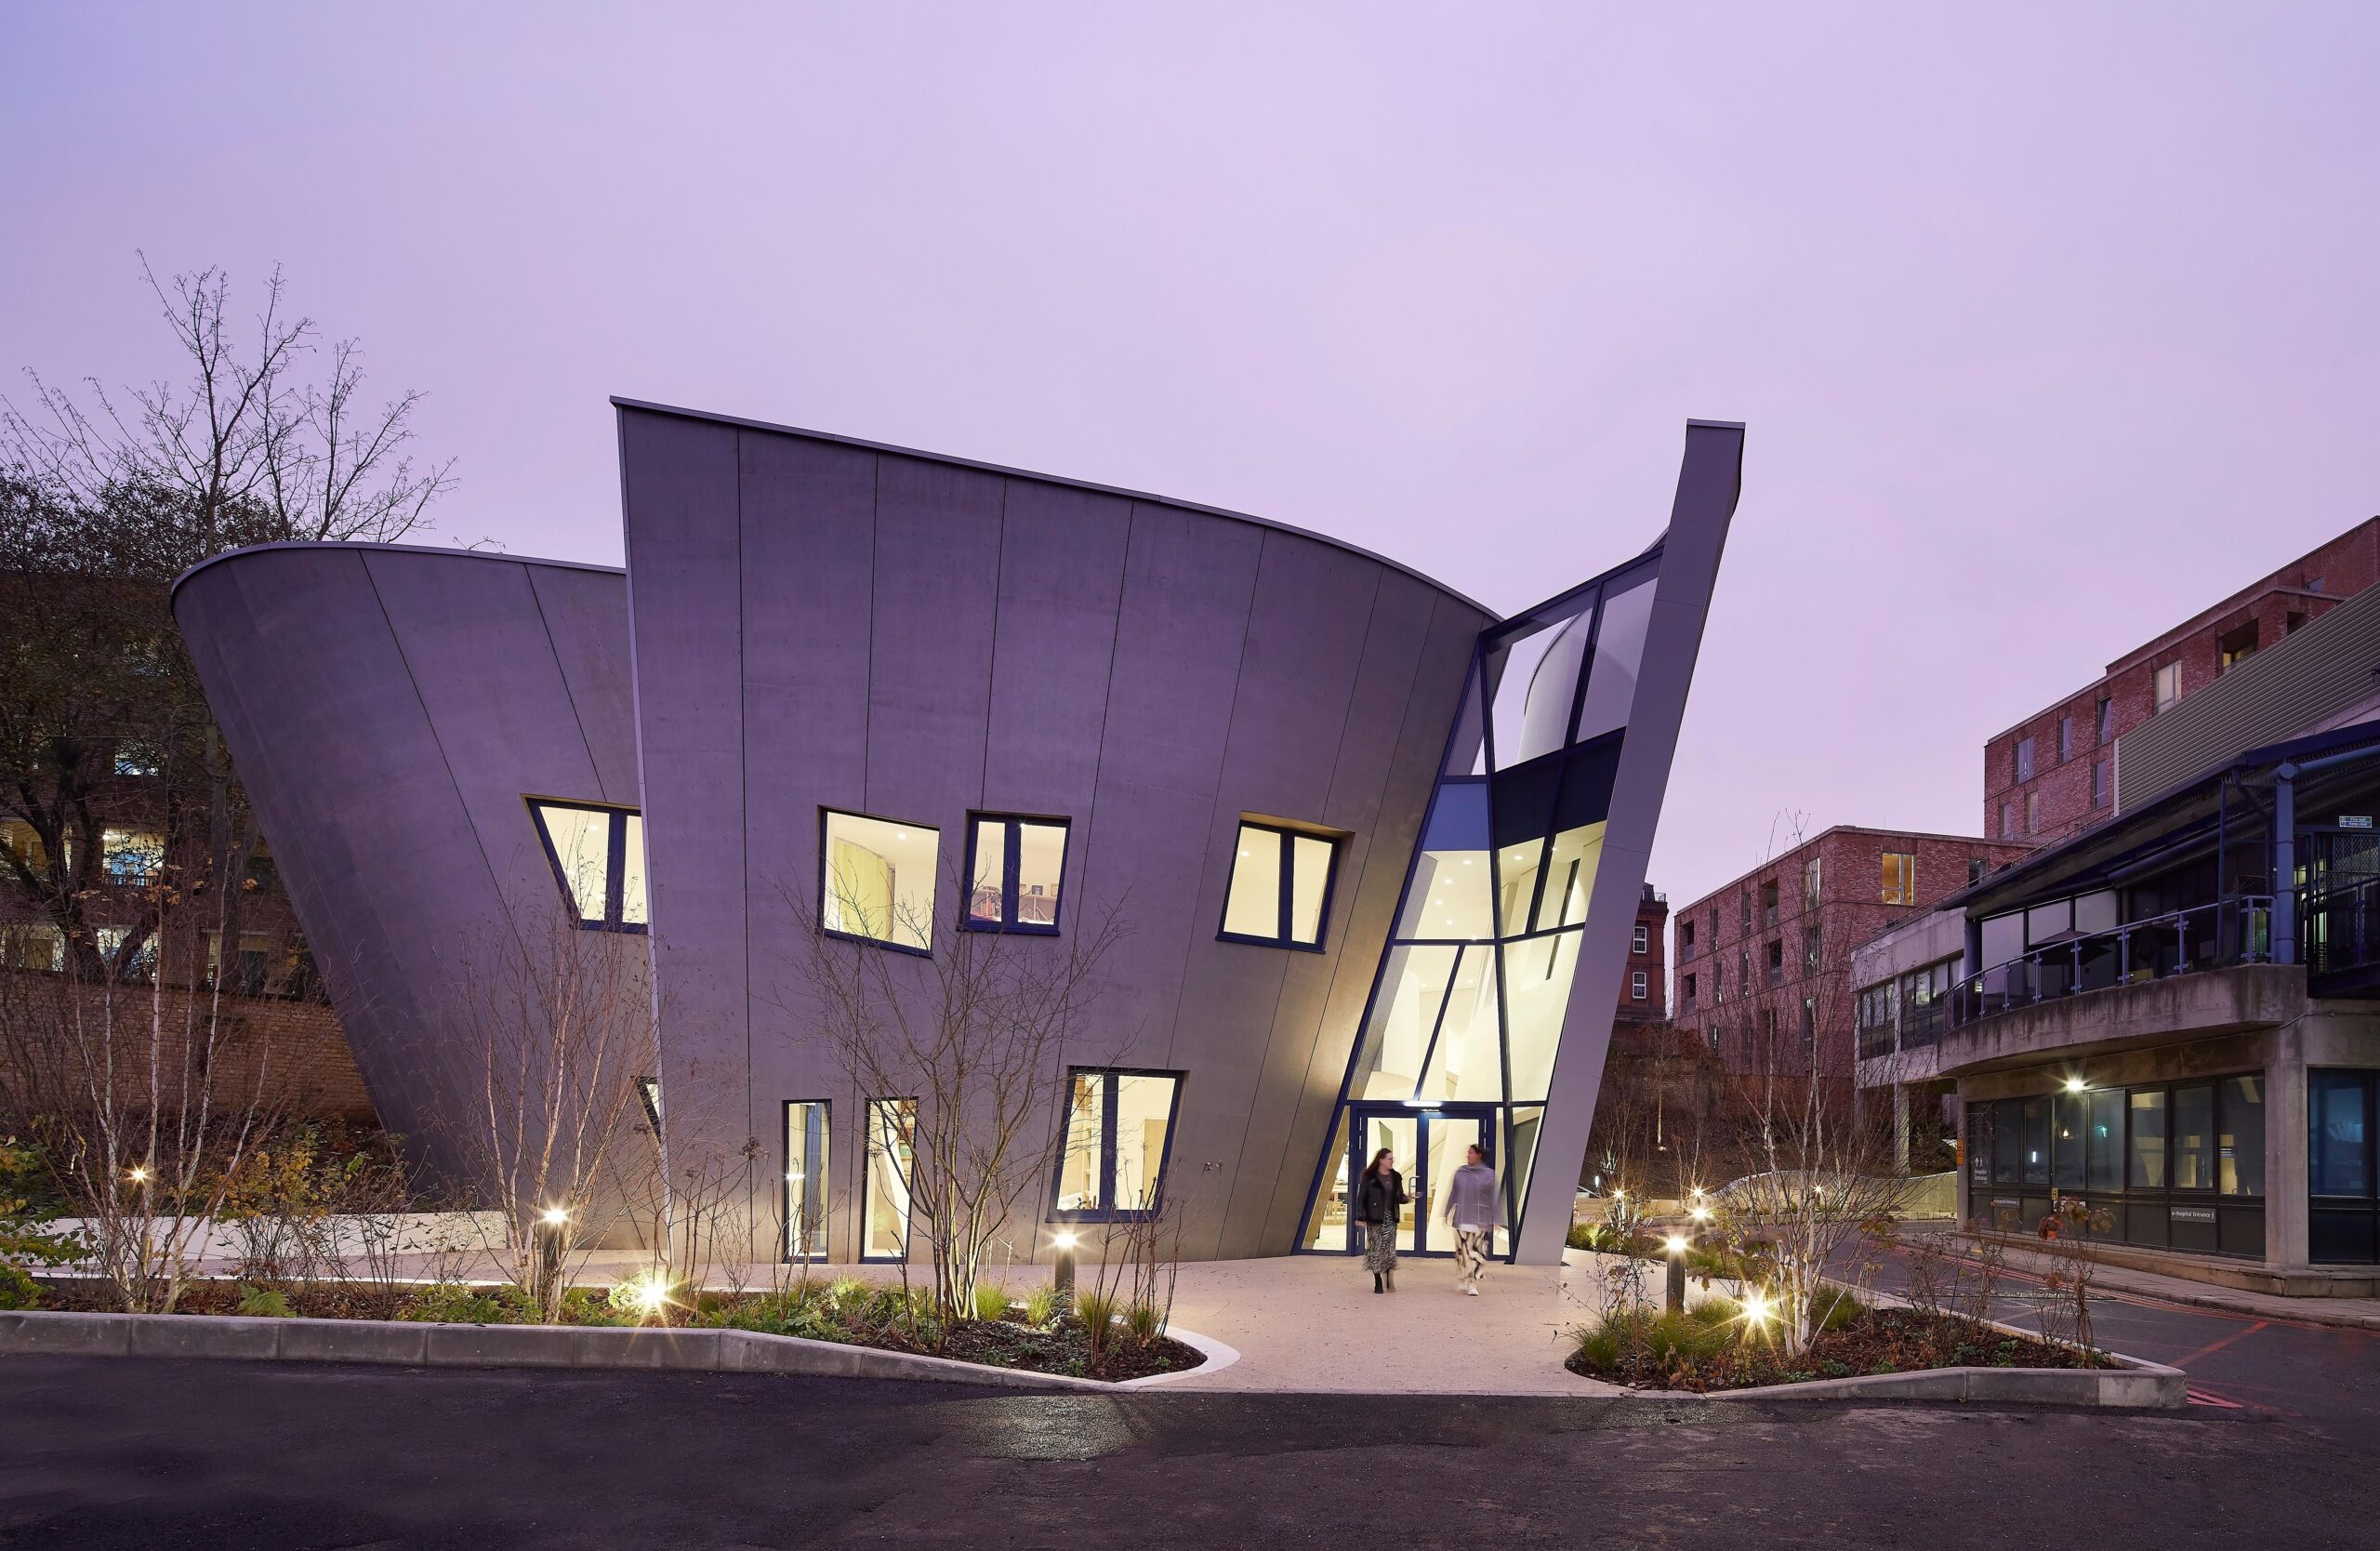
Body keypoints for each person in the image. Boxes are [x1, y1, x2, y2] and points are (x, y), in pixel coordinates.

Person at [1442, 1144, 1498, 1295]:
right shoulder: (1461, 1172)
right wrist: (1447, 1211)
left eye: (1471, 1153)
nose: (1467, 1155)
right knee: (1462, 1253)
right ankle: (1463, 1278)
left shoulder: (1489, 1174)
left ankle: (1472, 1283)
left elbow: (1493, 1199)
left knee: (1478, 1254)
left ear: (1478, 1155)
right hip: (1462, 1218)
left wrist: (1496, 1218)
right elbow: (1454, 1193)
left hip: (1481, 1219)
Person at [1355, 1147, 1407, 1293]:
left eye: (1392, 1158)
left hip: (1390, 1217)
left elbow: (1400, 1197)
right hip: (1374, 1217)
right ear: (1381, 1160)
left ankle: (1389, 1276)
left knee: (1389, 1250)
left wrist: (1408, 1198)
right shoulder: (1369, 1176)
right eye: (1390, 1158)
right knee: (1375, 1250)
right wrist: (1360, 1216)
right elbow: (1362, 1198)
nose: (1392, 1161)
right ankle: (1377, 1281)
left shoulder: (1395, 1176)